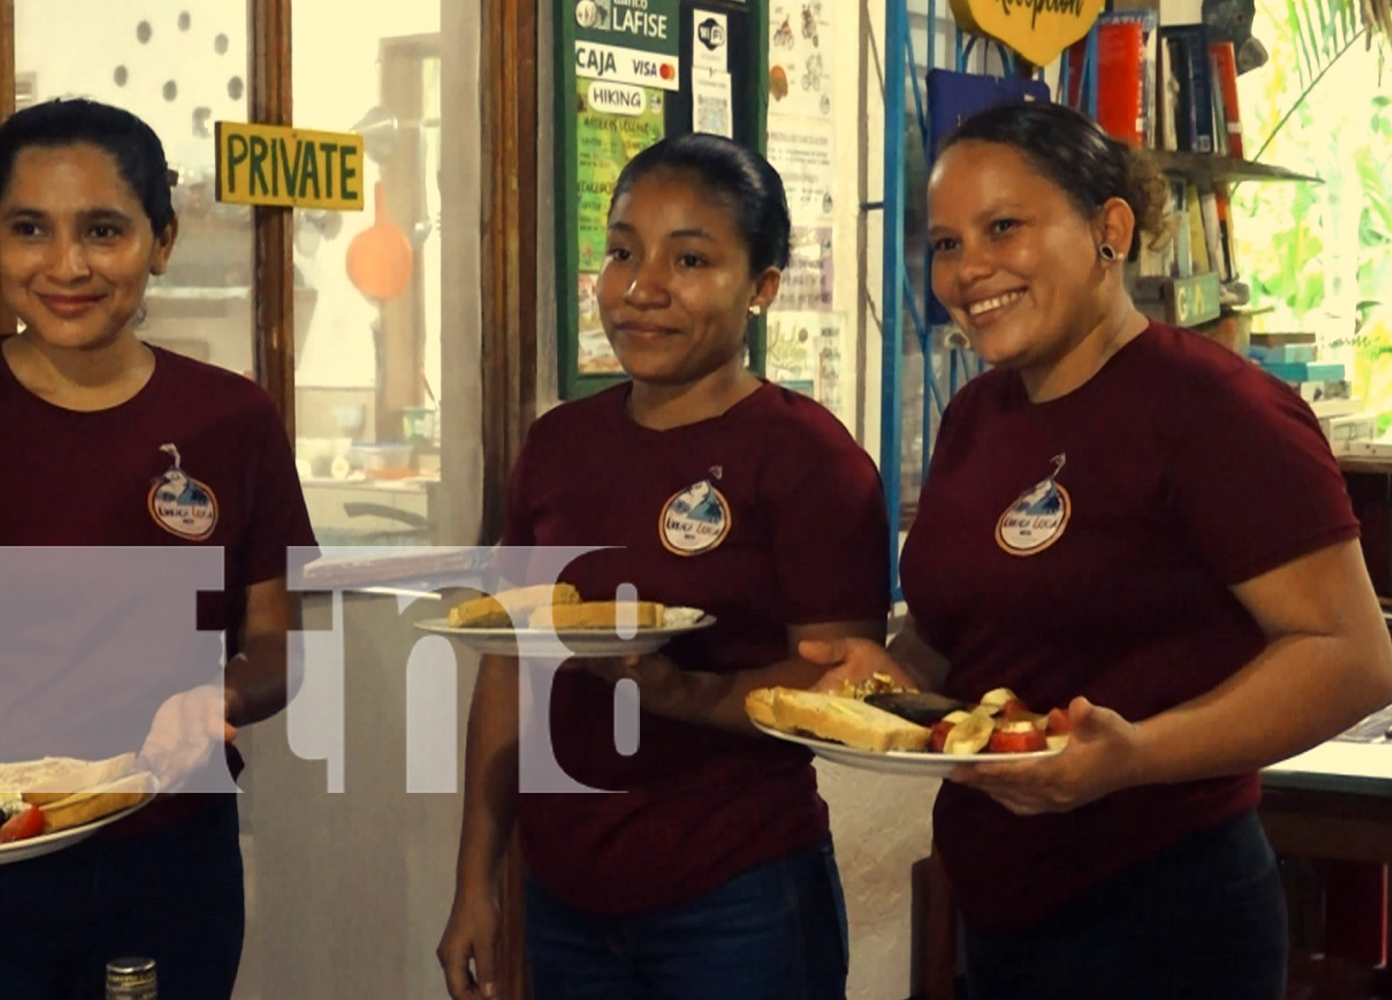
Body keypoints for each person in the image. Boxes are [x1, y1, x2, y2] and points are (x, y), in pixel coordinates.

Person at [802, 100, 1392, 1000]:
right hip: (1002, 902)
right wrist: (887, 675)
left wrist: (1138, 754)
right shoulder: (977, 415)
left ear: (1109, 229)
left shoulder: (1215, 410)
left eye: (1004, 227)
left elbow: (1352, 656)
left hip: (1164, 911)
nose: (968, 271)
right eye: (948, 243)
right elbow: (971, 634)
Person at [437, 133, 891, 1000]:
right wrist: (476, 884)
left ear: (762, 288)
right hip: (564, 898)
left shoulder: (808, 459)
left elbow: (840, 688)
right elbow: (508, 664)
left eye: (690, 259)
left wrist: (680, 692)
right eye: (620, 252)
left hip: (738, 898)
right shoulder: (559, 443)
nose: (641, 289)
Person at [0, 98, 317, 999]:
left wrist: (218, 693)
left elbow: (282, 645)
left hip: (162, 860)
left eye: (104, 230)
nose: (66, 265)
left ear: (161, 241)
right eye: (30, 229)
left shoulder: (231, 419)